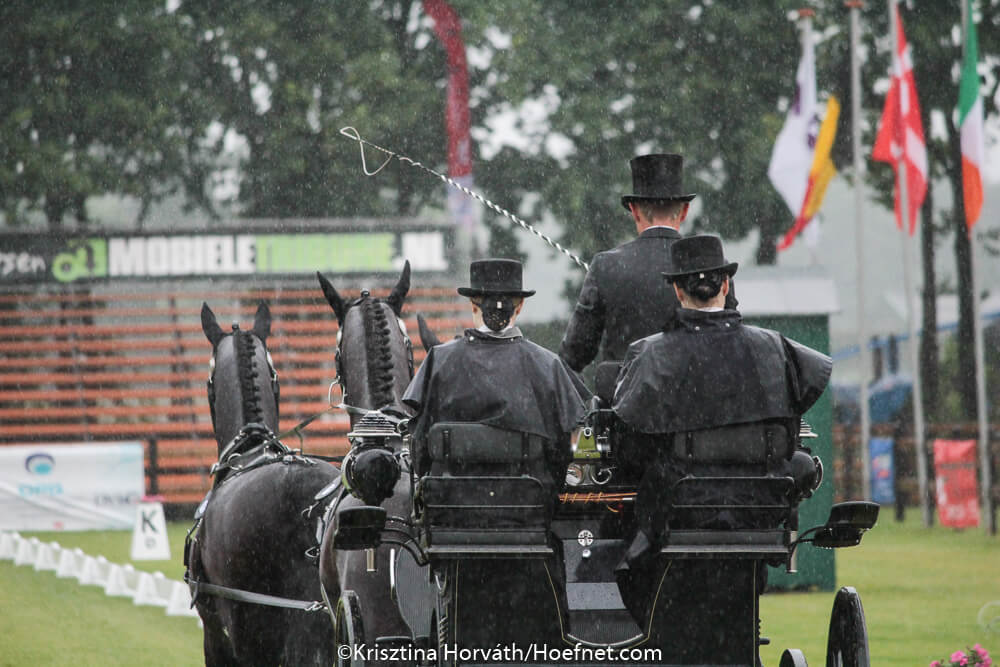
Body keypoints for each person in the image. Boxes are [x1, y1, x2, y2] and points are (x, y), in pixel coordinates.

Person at [610, 235, 832, 652]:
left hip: (680, 523)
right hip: (755, 520)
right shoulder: (775, 349)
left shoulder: (652, 356)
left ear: (677, 290)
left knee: (627, 555)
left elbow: (628, 450)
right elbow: (788, 437)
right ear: (725, 286)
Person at [403, 258, 588, 498]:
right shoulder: (548, 365)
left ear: (473, 304)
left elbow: (419, 452)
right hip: (529, 512)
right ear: (520, 306)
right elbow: (567, 451)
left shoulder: (439, 361)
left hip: (450, 512)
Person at [558, 153, 737, 373]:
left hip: (627, 401)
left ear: (633, 210)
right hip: (699, 397)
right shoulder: (714, 266)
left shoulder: (606, 266)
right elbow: (732, 337)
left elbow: (573, 355)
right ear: (684, 211)